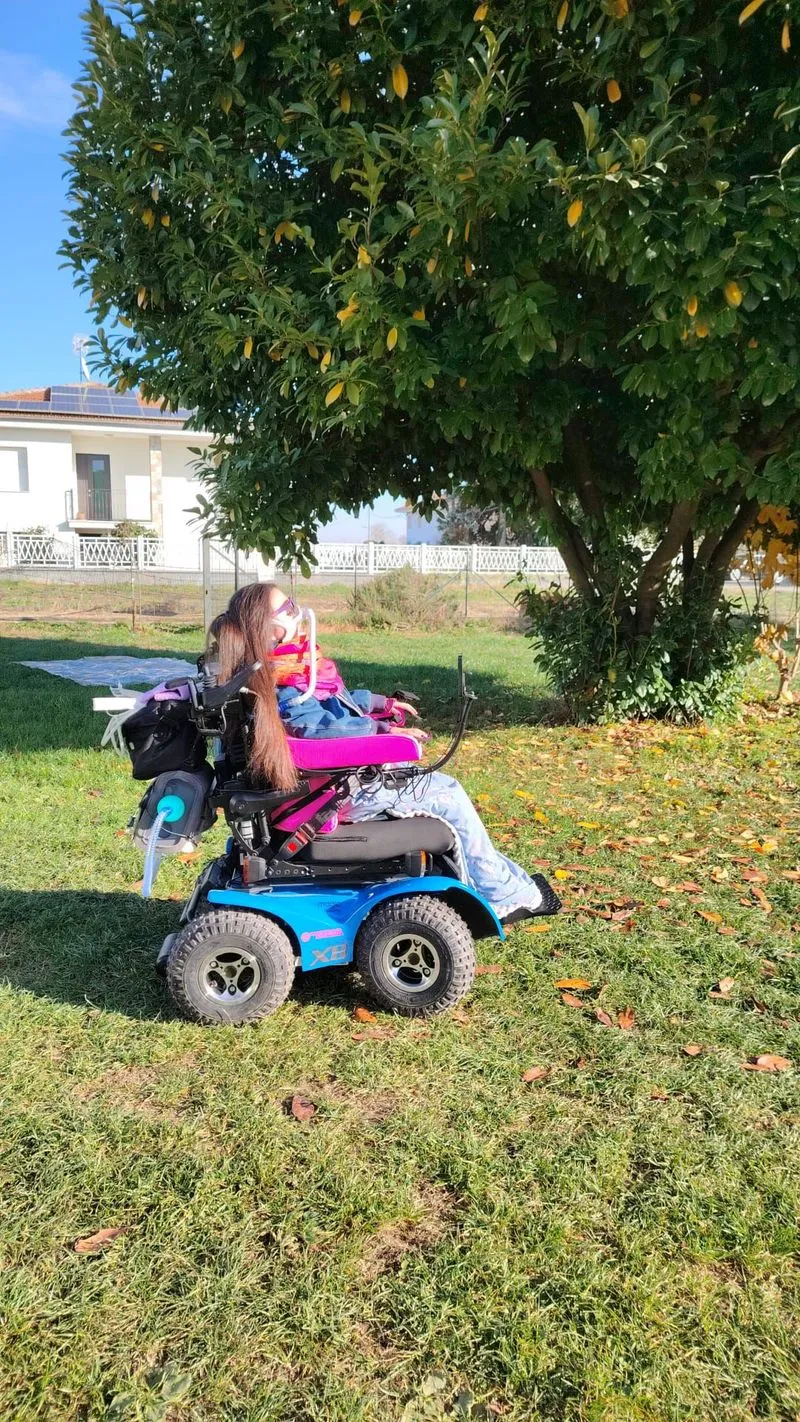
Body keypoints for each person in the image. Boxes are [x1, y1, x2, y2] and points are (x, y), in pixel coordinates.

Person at [207, 583, 544, 924]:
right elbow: (323, 729)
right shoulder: (285, 687)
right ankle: (502, 894)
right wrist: (384, 732)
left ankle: (506, 882)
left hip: (331, 786)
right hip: (332, 796)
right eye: (288, 609)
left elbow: (332, 700)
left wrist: (379, 704)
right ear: (268, 630)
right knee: (448, 794)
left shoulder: (280, 672)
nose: (298, 613)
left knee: (440, 788)